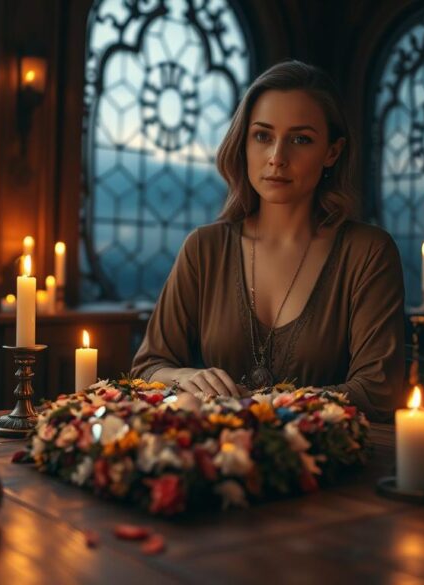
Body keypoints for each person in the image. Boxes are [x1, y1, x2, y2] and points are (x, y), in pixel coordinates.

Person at [131, 60, 405, 421]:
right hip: (215, 451)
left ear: (332, 152)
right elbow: (147, 369)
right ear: (243, 143)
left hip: (326, 453)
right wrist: (184, 377)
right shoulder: (204, 249)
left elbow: (379, 391)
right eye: (263, 136)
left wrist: (263, 407)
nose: (277, 157)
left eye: (301, 139)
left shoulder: (367, 252)